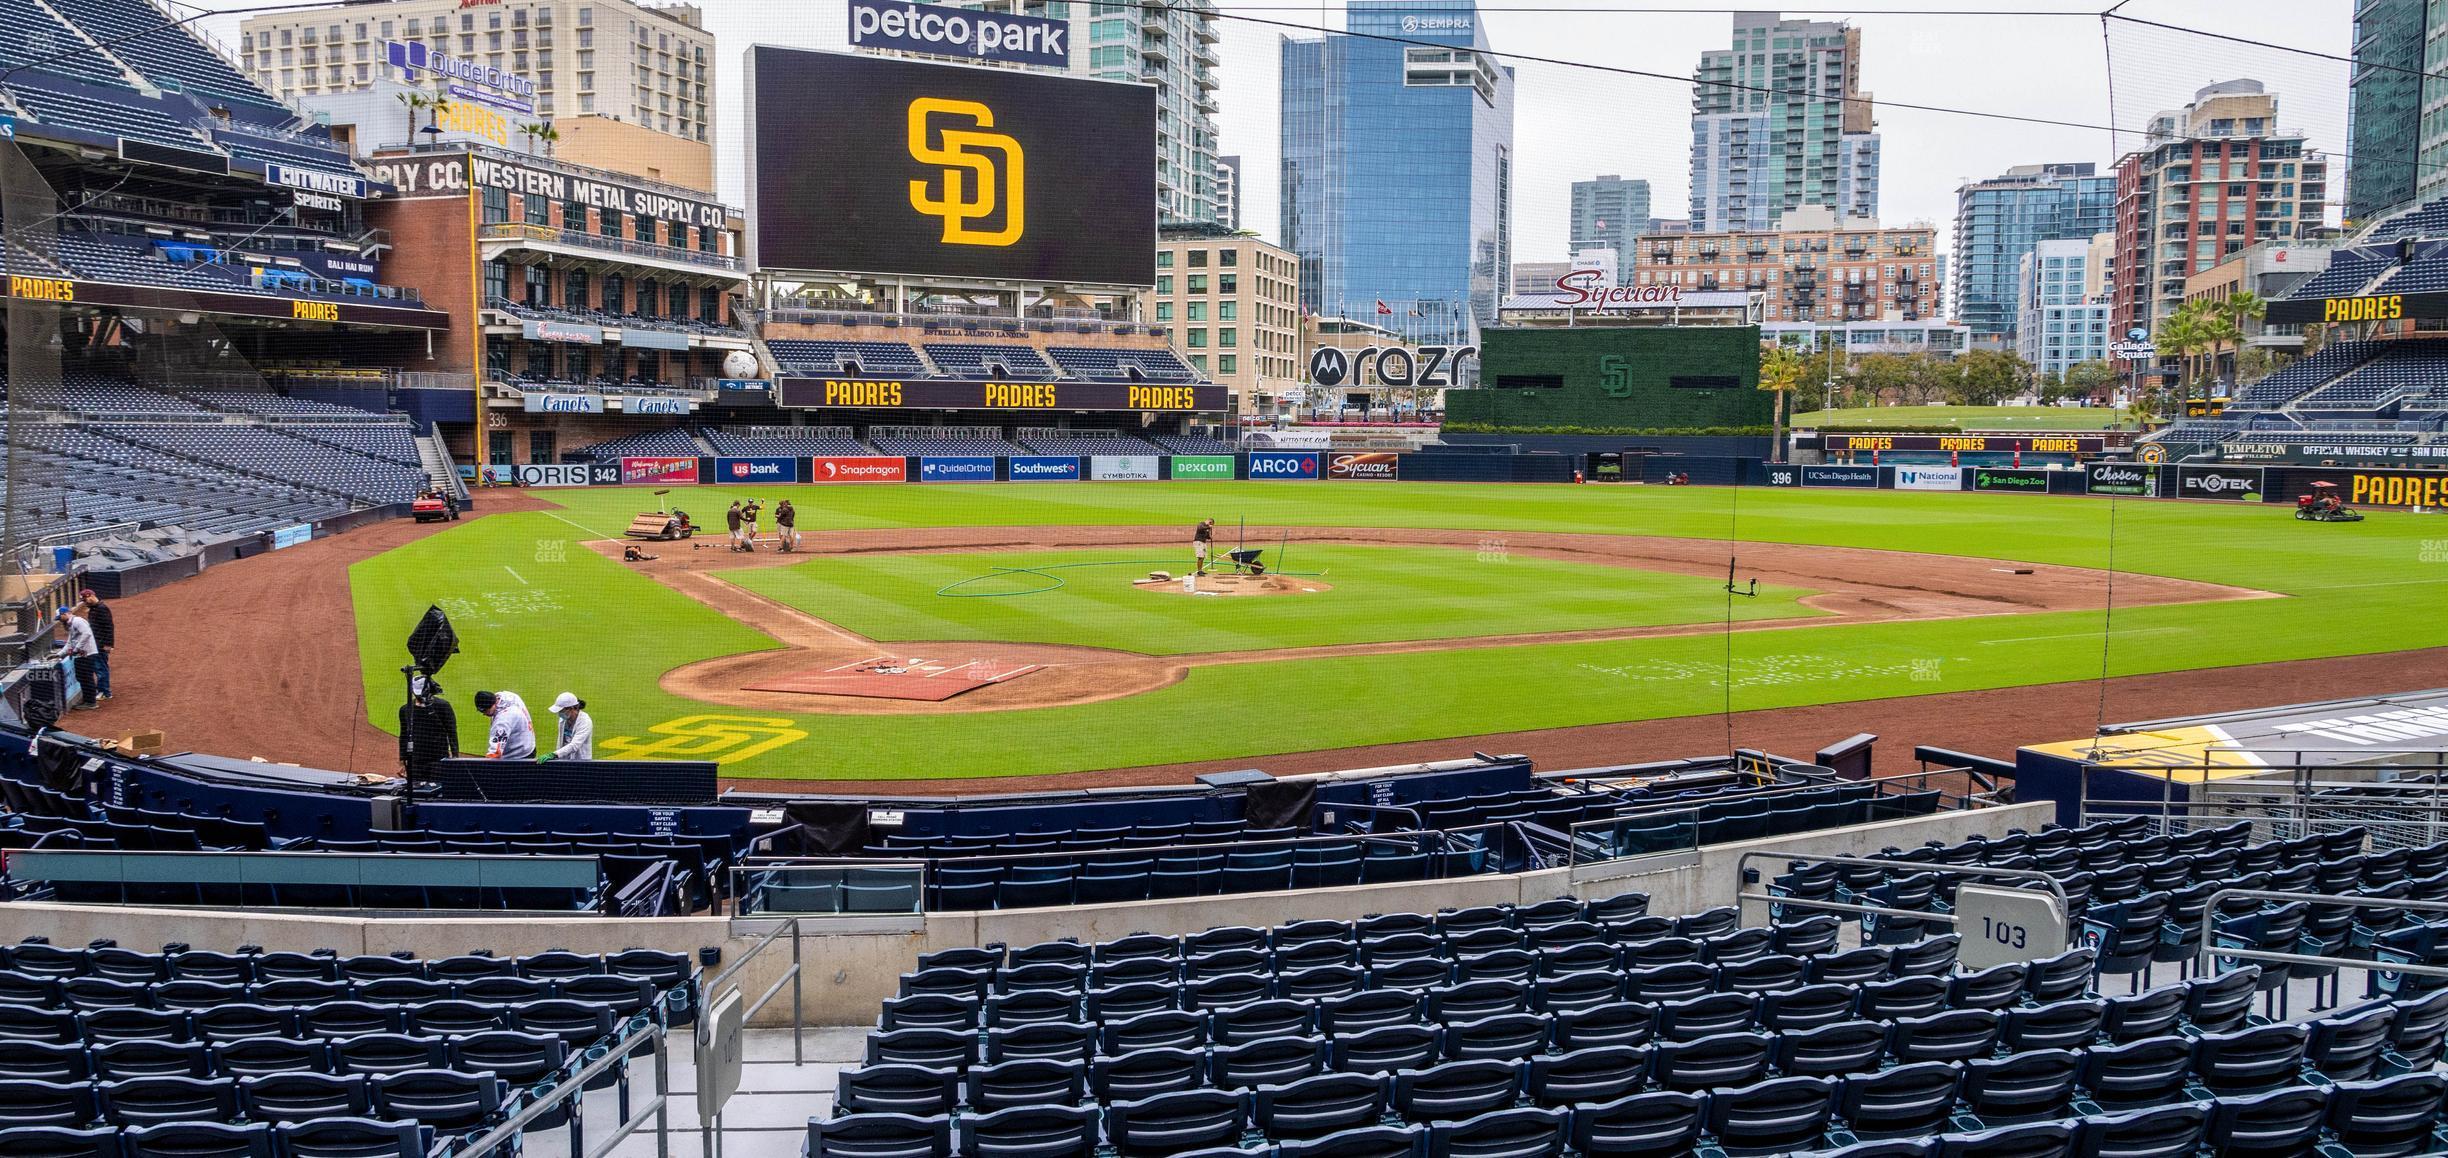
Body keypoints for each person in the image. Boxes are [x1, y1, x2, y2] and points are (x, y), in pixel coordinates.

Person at [398, 675, 459, 780]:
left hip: (438, 758)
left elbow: (451, 732)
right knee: (417, 792)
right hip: (415, 760)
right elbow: (404, 735)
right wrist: (403, 759)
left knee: (437, 789)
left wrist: (455, 757)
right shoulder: (405, 709)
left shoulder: (443, 706)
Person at [52, 607, 98, 709]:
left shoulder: (77, 621)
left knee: (86, 677)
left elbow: (87, 634)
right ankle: (88, 699)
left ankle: (91, 702)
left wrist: (77, 648)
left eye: (60, 617)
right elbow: (70, 642)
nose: (60, 620)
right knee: (82, 677)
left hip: (87, 654)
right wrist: (59, 654)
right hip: (81, 655)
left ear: (65, 614)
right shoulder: (71, 624)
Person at [472, 690, 535, 760]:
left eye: (485, 710)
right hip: (528, 744)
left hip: (518, 757)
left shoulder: (502, 721)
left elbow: (495, 753)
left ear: (493, 704)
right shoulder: (510, 696)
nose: (484, 714)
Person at [79, 590, 113, 702]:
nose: (85, 602)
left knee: (101, 667)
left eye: (85, 599)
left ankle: (105, 692)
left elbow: (109, 627)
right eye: (83, 600)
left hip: (101, 644)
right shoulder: (94, 609)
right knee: (99, 667)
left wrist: (108, 644)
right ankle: (103, 690)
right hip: (96, 643)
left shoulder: (101, 609)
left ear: (92, 596)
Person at [543, 692, 593, 762]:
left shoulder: (585, 722)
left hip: (580, 762)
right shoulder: (563, 719)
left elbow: (575, 745)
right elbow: (561, 740)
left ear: (571, 708)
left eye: (561, 711)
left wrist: (554, 754)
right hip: (564, 760)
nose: (559, 713)